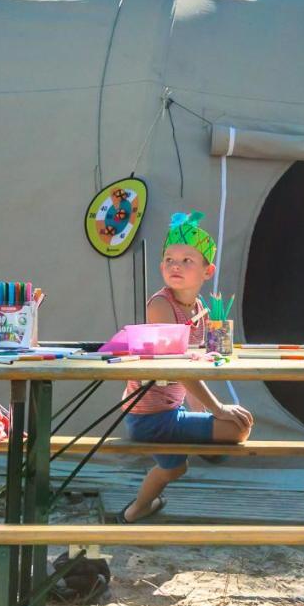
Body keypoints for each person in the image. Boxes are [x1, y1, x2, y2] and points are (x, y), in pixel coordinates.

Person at [119, 212, 254, 523]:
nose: (175, 266)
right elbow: (178, 367)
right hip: (148, 417)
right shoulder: (161, 305)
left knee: (177, 467)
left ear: (208, 271)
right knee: (237, 428)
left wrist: (207, 412)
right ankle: (136, 509)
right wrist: (217, 410)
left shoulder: (201, 311)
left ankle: (136, 510)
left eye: (186, 260)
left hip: (172, 411)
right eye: (169, 259)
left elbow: (200, 363)